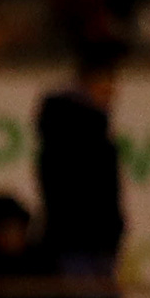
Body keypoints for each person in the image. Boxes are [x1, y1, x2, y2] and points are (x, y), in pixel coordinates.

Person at [37, 54, 126, 283]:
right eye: (105, 85)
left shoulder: (70, 131)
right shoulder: (78, 135)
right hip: (79, 242)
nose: (112, 93)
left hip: (88, 241)